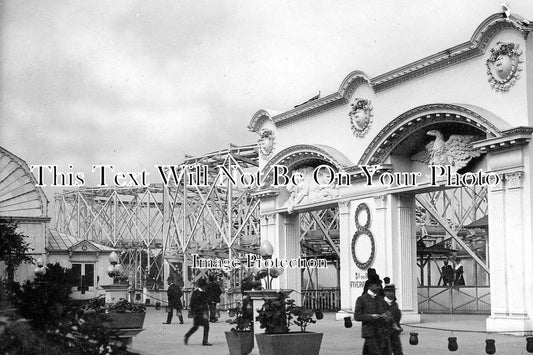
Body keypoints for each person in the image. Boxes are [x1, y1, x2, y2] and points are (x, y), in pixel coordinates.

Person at [354, 279, 387, 355]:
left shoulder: (381, 299)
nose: (379, 287)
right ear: (370, 286)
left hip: (381, 333)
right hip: (369, 333)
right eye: (377, 285)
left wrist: (386, 315)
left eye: (379, 286)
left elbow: (385, 311)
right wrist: (371, 317)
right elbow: (357, 316)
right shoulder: (361, 299)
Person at [184, 278, 212, 346]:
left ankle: (187, 336)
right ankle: (205, 341)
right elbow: (193, 303)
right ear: (202, 286)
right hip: (198, 312)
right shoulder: (197, 293)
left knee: (196, 326)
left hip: (201, 312)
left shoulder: (201, 292)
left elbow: (205, 302)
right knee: (206, 325)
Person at [383, 284, 403, 355]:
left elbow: (397, 318)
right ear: (385, 292)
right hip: (384, 333)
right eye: (389, 291)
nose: (392, 293)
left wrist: (398, 327)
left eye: (393, 291)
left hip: (394, 333)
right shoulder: (380, 303)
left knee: (398, 351)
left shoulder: (395, 304)